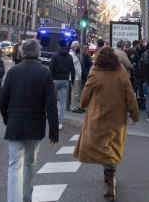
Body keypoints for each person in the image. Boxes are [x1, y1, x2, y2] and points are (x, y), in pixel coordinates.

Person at [73, 47, 139, 200]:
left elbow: (84, 99)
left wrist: (83, 103)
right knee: (112, 147)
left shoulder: (95, 72)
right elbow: (130, 95)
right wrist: (134, 114)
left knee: (102, 148)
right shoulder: (121, 72)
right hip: (117, 118)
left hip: (99, 117)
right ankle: (110, 176)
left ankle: (109, 178)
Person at [0, 39, 58, 202]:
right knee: (30, 164)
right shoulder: (44, 73)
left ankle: (13, 200)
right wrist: (53, 131)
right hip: (35, 126)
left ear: (22, 53)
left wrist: (7, 119)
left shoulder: (13, 72)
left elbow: (3, 100)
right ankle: (27, 197)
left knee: (14, 165)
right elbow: (51, 105)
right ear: (38, 53)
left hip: (15, 125)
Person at [49, 43, 74, 130]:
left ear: (59, 47)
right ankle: (60, 123)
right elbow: (73, 70)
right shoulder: (70, 57)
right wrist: (72, 81)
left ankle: (53, 119)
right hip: (65, 80)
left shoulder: (55, 56)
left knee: (53, 101)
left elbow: (51, 68)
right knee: (63, 103)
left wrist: (50, 79)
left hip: (55, 80)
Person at [69, 41, 83, 112]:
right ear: (74, 47)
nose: (78, 48)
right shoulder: (71, 54)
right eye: (77, 46)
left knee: (77, 92)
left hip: (77, 77)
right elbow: (73, 67)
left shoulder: (74, 54)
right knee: (75, 93)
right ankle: (74, 107)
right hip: (75, 77)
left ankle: (76, 106)